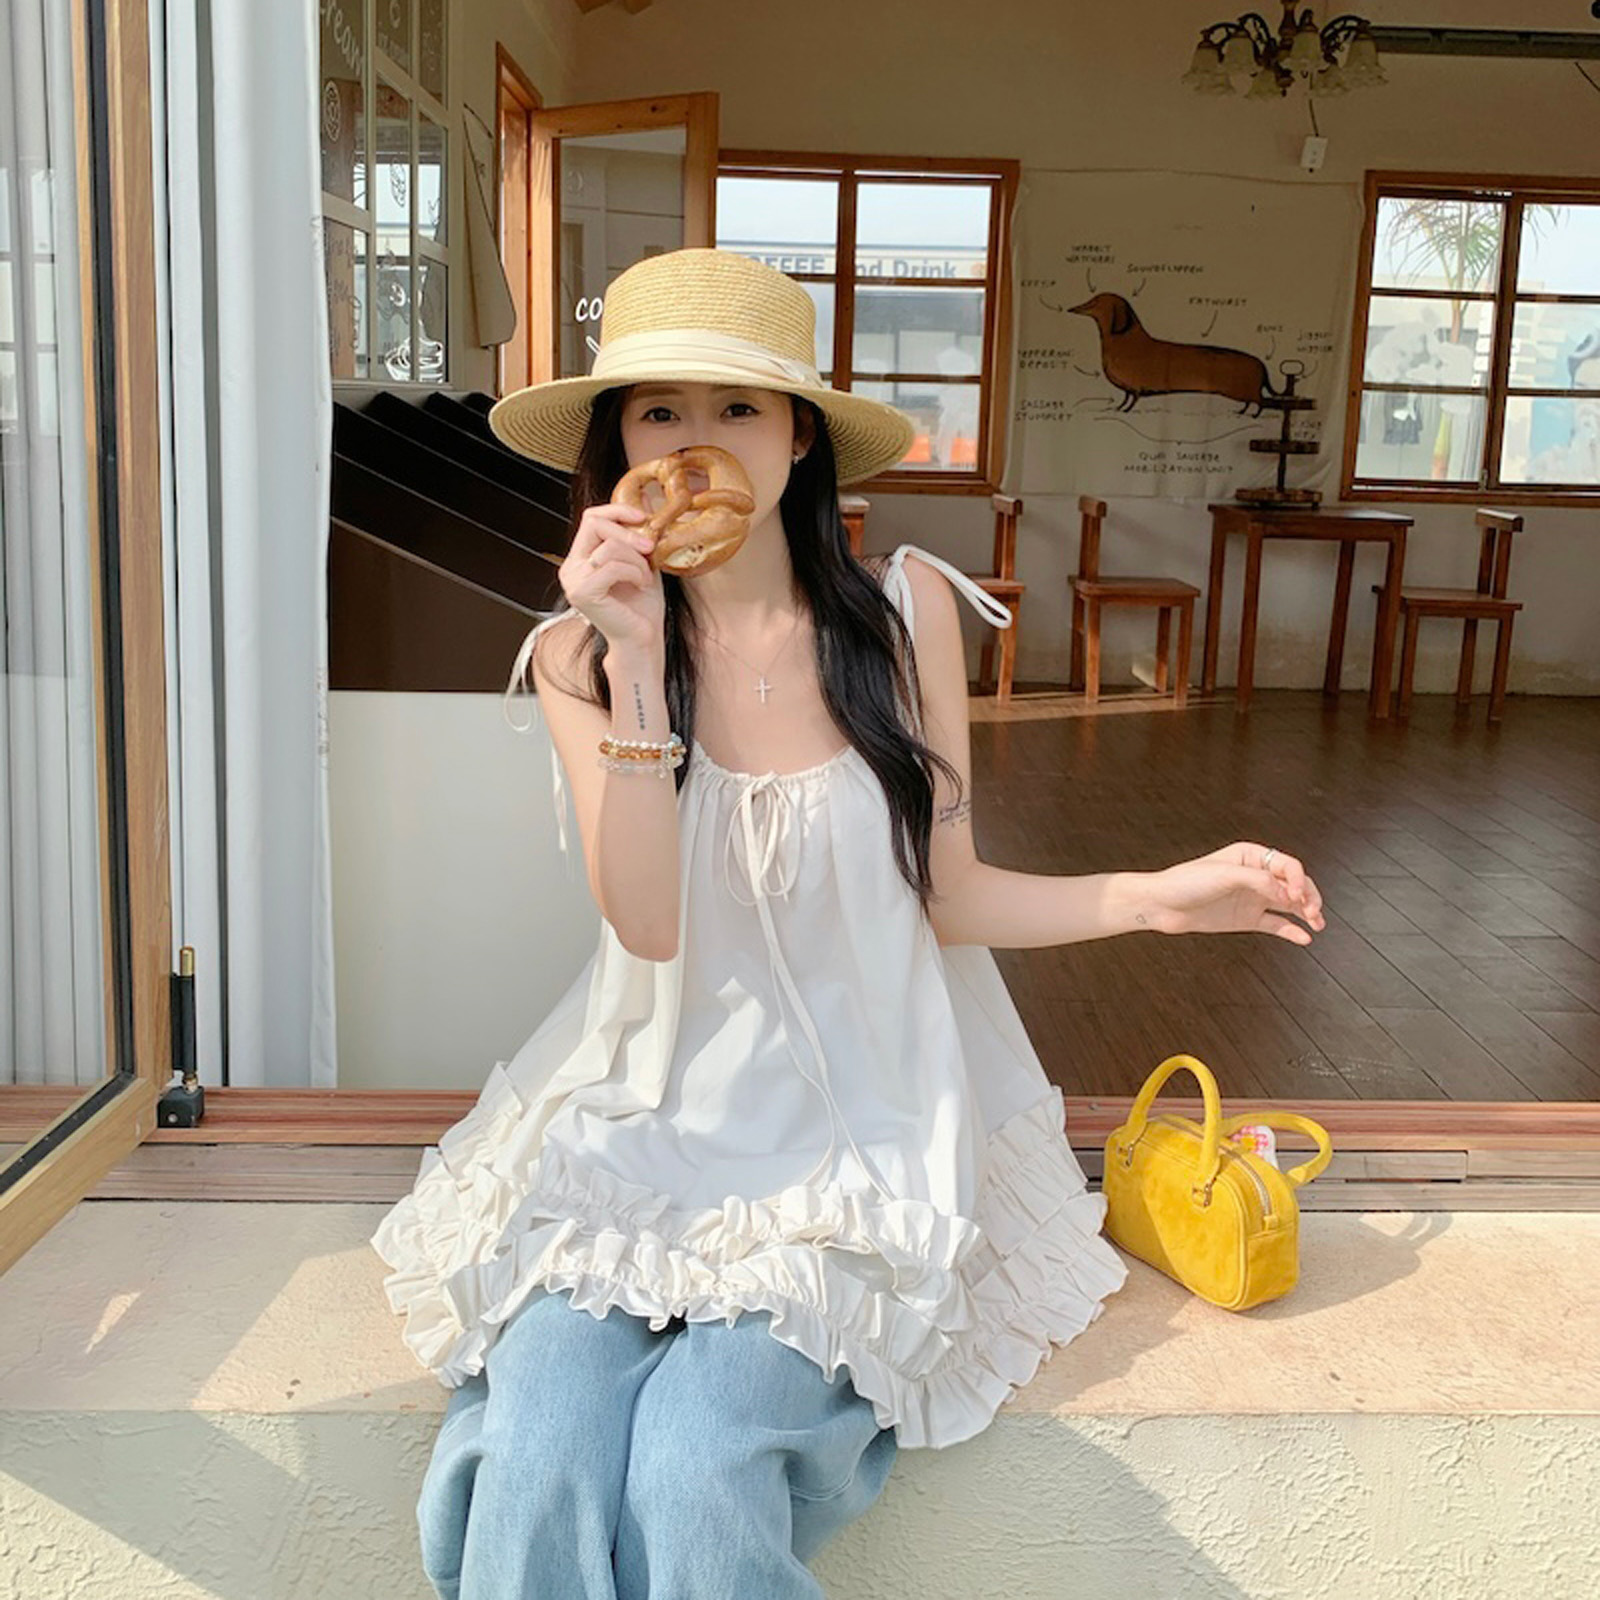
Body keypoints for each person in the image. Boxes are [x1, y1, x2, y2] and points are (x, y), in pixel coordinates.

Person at [370, 248, 1326, 1600]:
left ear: (801, 435)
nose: (695, 442)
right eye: (659, 412)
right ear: (618, 446)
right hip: (641, 1125)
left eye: (738, 408)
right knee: (534, 1451)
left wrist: (1162, 899)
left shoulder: (902, 615)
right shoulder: (580, 654)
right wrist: (636, 661)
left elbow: (948, 893)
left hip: (853, 1144)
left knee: (697, 1468)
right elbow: (647, 924)